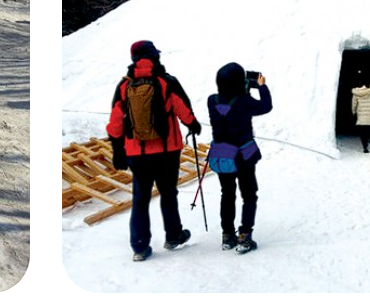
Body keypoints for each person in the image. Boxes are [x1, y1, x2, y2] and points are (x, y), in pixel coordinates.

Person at [107, 40, 200, 262]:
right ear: (154, 57)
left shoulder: (124, 86)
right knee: (168, 193)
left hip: (137, 154)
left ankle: (139, 247)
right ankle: (173, 235)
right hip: (167, 152)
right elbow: (182, 109)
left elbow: (115, 123)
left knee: (140, 198)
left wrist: (118, 151)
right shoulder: (167, 81)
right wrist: (193, 125)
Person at [207, 63, 272, 254]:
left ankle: (227, 236)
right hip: (243, 155)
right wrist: (261, 86)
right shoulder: (245, 102)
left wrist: (243, 88)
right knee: (249, 195)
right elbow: (266, 106)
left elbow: (229, 105)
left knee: (227, 194)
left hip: (222, 155)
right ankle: (244, 236)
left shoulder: (212, 100)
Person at [350, 78, 370, 153]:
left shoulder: (356, 92)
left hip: (361, 114)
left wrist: (353, 112)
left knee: (362, 131)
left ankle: (365, 146)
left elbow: (354, 104)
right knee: (368, 129)